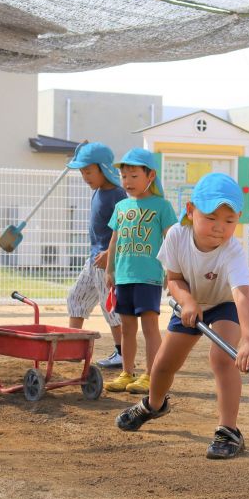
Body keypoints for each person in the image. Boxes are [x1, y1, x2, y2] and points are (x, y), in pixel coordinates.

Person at [115, 172, 249, 460]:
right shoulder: (177, 236)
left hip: (224, 304)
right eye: (211, 217)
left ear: (238, 219)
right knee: (164, 365)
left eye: (229, 221)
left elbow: (242, 294)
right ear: (191, 211)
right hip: (190, 304)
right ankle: (153, 406)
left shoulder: (233, 251)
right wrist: (188, 301)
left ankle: (229, 430)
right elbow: (175, 279)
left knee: (221, 358)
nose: (220, 228)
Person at [104, 148, 178, 394]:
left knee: (149, 328)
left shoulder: (162, 206)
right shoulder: (121, 206)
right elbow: (114, 241)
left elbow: (171, 240)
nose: (128, 181)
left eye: (134, 176)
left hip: (148, 277)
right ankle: (127, 373)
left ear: (151, 176)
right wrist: (109, 270)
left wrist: (172, 270)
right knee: (126, 328)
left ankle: (150, 375)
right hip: (124, 276)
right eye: (124, 176)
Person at [64, 142, 127, 368]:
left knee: (110, 307)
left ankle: (121, 353)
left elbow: (126, 231)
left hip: (107, 262)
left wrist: (110, 252)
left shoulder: (118, 195)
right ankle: (71, 346)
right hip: (92, 260)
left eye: (89, 171)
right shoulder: (99, 192)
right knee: (75, 297)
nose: (85, 177)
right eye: (82, 172)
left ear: (103, 169)